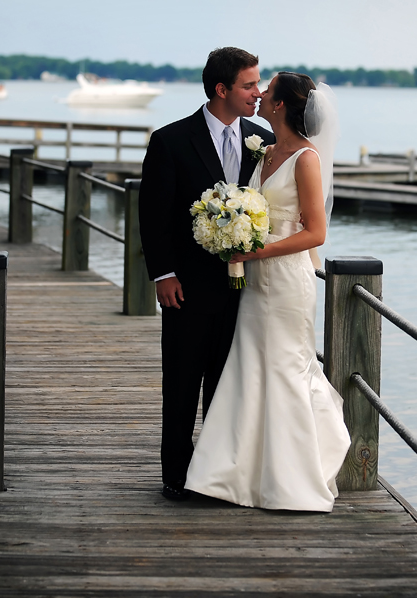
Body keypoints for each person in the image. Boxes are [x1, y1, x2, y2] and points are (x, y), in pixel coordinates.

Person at [184, 72, 351, 512]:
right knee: (250, 370)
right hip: (256, 284)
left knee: (284, 368)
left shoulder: (306, 159)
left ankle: (291, 480)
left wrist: (260, 251)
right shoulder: (267, 152)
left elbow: (316, 232)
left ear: (280, 105)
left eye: (267, 90)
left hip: (287, 283)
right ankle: (233, 478)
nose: (259, 94)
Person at [139, 48, 276, 501]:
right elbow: (153, 216)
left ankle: (217, 476)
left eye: (258, 85)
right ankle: (176, 477)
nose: (257, 93)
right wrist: (163, 274)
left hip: (246, 290)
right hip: (187, 287)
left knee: (227, 384)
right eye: (249, 85)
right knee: (182, 381)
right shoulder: (170, 140)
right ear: (222, 90)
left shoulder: (263, 139)